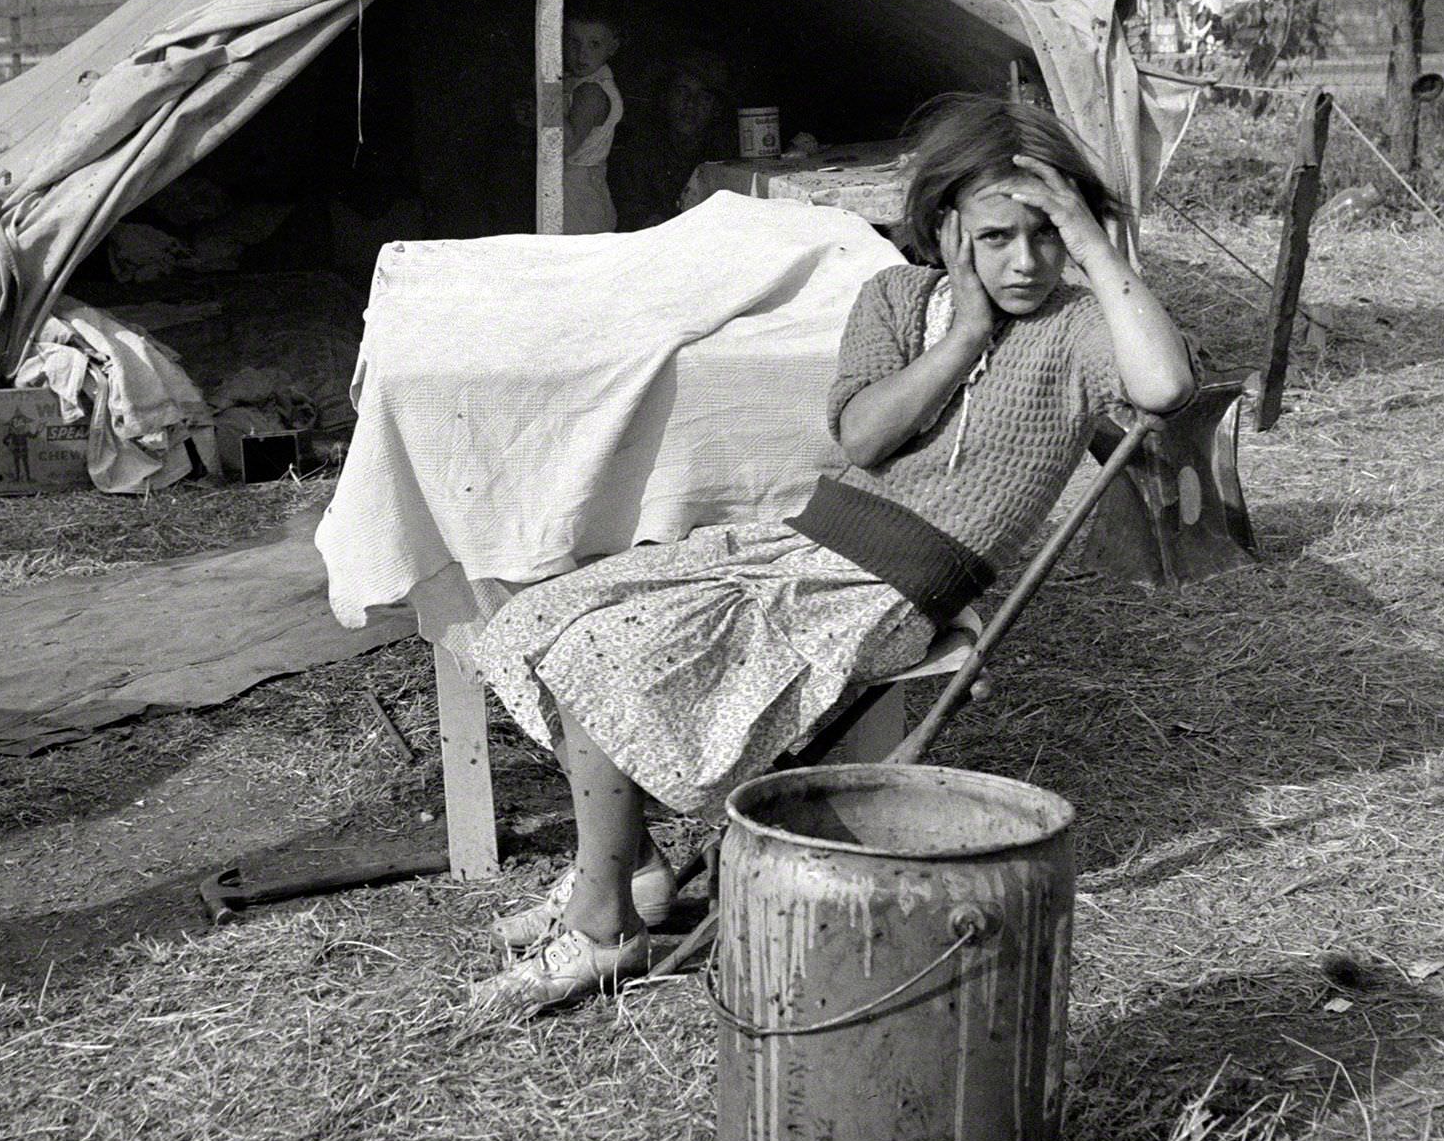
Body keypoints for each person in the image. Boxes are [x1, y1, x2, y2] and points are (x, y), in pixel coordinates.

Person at [466, 94, 1197, 1016]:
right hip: (810, 544)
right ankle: (634, 869)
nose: (1024, 260)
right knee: (547, 613)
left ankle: (606, 924)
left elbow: (1166, 384)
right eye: (997, 235)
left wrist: (1097, 249)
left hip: (900, 582)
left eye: (1048, 235)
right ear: (944, 228)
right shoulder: (895, 299)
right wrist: (965, 335)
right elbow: (861, 438)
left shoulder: (1078, 329)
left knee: (607, 654)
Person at [608, 48, 733, 230]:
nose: (691, 104)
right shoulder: (639, 152)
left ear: (716, 108)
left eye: (704, 96)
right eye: (682, 92)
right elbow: (631, 214)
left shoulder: (724, 154)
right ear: (665, 97)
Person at [558, 13, 625, 234]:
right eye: (574, 42)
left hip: (576, 195)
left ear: (612, 47)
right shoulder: (585, 80)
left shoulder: (591, 92)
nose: (582, 53)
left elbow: (567, 144)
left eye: (594, 44)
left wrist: (550, 97)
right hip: (585, 187)